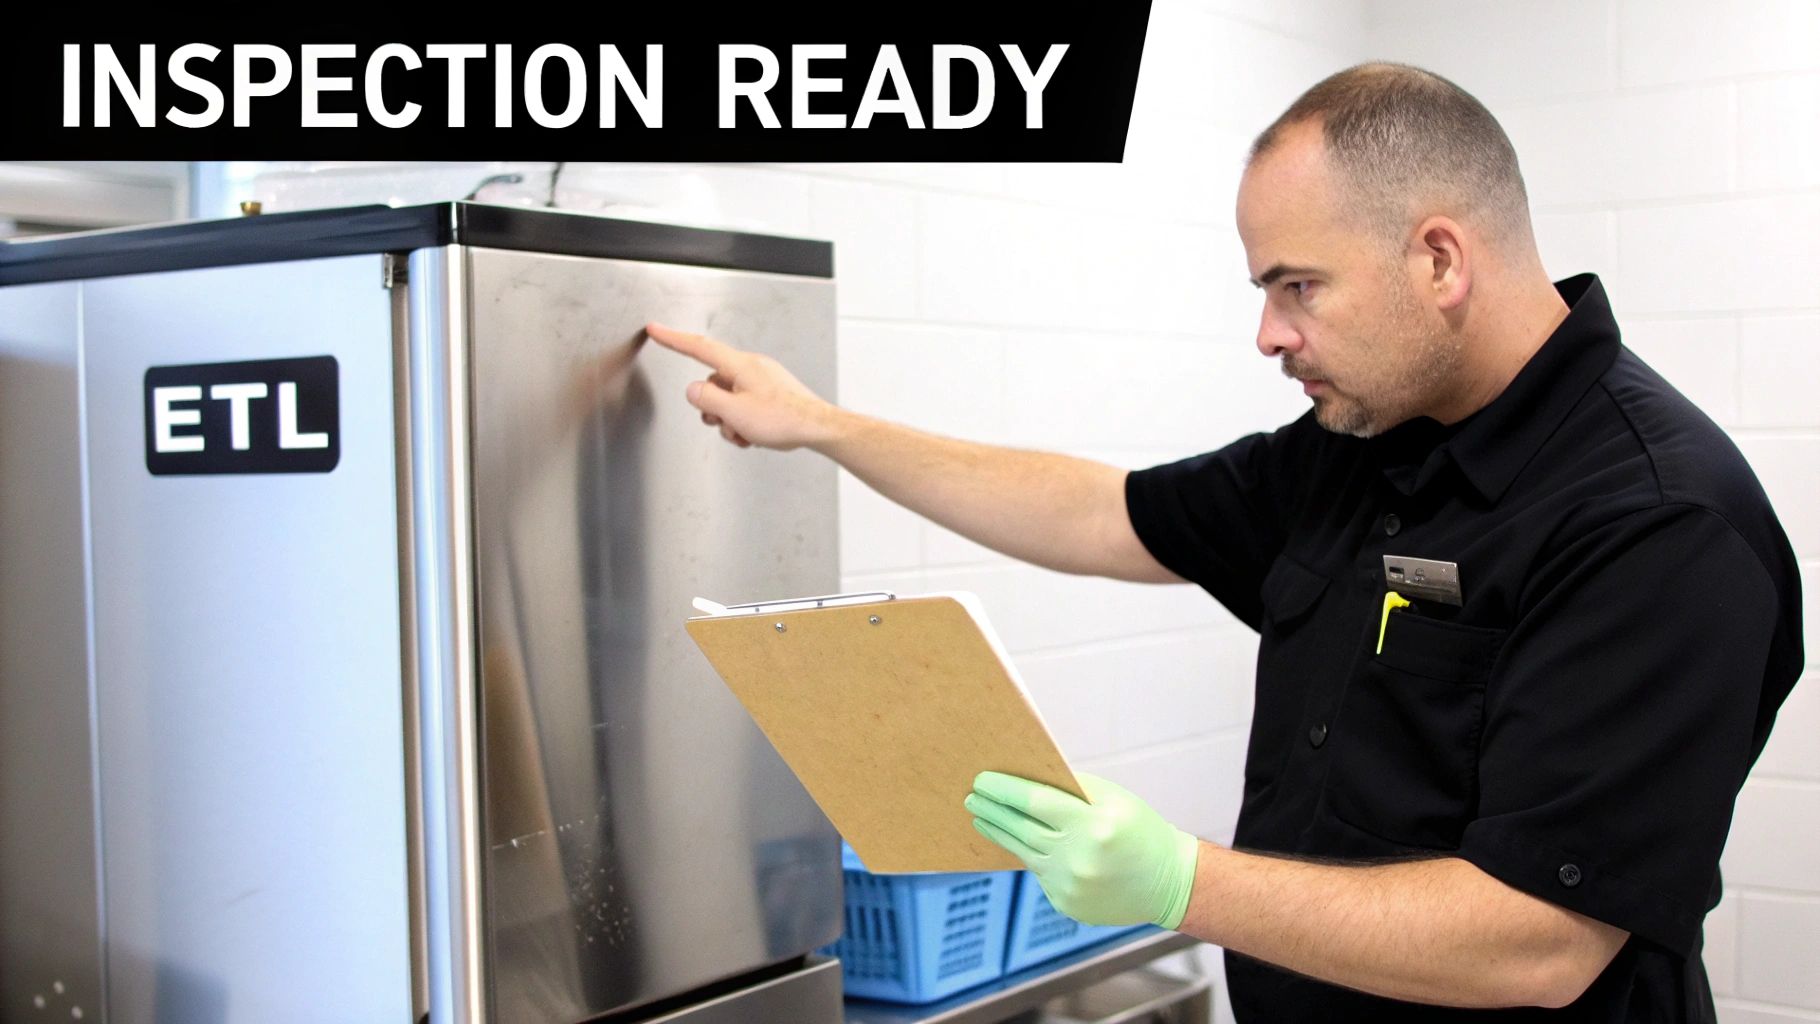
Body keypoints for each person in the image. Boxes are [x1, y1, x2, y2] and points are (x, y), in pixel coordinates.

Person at [642, 63, 1804, 1022]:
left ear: (1439, 260)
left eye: (1298, 286)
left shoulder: (1658, 523)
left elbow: (1537, 941)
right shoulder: (1362, 444)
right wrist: (823, 427)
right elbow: (1105, 513)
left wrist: (1175, 880)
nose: (1267, 333)